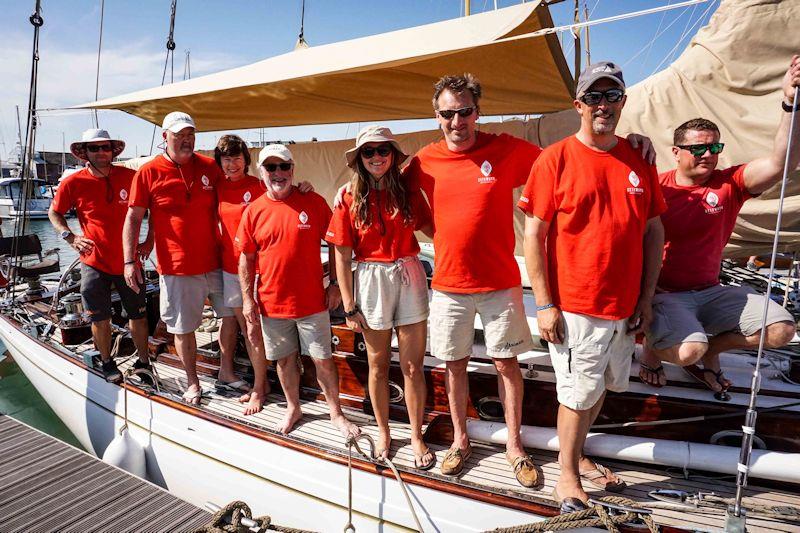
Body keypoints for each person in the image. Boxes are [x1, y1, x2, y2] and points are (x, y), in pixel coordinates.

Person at [520, 61, 666, 511]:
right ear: (578, 104)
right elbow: (534, 235)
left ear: (623, 103)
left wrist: (645, 299)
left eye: (612, 96)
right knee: (577, 395)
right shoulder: (556, 159)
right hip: (577, 305)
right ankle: (566, 477)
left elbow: (654, 230)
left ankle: (577, 456)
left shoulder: (638, 158)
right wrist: (545, 304)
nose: (603, 105)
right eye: (595, 97)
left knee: (599, 388)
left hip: (623, 306)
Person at [400, 73, 542, 486]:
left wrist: (630, 145)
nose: (456, 121)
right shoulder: (424, 160)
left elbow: (559, 162)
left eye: (464, 112)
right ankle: (461, 440)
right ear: (437, 115)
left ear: (478, 112)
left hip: (500, 281)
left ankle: (514, 446)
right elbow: (385, 185)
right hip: (448, 283)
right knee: (454, 364)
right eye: (447, 114)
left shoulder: (505, 149)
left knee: (506, 364)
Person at [638, 56, 800, 391]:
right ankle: (652, 349)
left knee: (782, 331)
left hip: (711, 290)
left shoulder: (730, 184)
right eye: (697, 148)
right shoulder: (656, 186)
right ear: (677, 151)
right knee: (688, 350)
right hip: (667, 295)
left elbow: (781, 162)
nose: (707, 154)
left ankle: (713, 350)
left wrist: (789, 101)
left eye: (714, 147)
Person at [326, 125, 434, 467]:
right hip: (370, 279)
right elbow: (341, 255)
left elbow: (435, 229)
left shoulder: (407, 191)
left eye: (382, 150)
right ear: (360, 158)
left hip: (409, 273)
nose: (376, 157)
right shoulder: (346, 196)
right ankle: (385, 431)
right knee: (377, 364)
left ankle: (416, 435)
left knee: (413, 366)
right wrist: (349, 305)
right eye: (368, 151)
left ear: (393, 154)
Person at [237, 144, 360, 438]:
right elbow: (246, 257)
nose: (278, 173)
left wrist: (334, 285)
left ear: (292, 170)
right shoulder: (253, 211)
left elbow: (335, 241)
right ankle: (294, 407)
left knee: (322, 359)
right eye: (271, 168)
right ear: (261, 173)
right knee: (284, 359)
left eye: (283, 167)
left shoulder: (313, 201)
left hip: (312, 302)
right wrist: (246, 299)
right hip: (272, 303)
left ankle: (336, 413)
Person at [123, 111, 226, 405]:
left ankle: (228, 371)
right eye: (179, 135)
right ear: (165, 137)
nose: (186, 141)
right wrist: (129, 260)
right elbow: (134, 217)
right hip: (178, 267)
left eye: (190, 135)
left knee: (233, 317)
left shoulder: (209, 166)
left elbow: (240, 193)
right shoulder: (148, 172)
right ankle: (193, 382)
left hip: (217, 261)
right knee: (183, 328)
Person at [50, 129, 153, 383]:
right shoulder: (73, 182)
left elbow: (156, 210)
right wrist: (70, 237)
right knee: (100, 317)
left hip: (129, 262)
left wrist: (149, 241)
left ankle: (144, 362)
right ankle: (107, 362)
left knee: (138, 315)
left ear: (112, 150)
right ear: (85, 152)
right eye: (94, 148)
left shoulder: (132, 177)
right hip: (93, 261)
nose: (101, 152)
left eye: (105, 147)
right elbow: (55, 213)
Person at [214, 134, 270, 414]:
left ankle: (261, 386)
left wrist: (304, 187)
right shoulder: (217, 188)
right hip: (230, 269)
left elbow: (286, 195)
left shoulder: (261, 186)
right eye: (226, 158)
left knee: (253, 329)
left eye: (237, 157)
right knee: (245, 328)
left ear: (246, 160)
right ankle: (260, 382)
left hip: (260, 270)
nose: (232, 163)